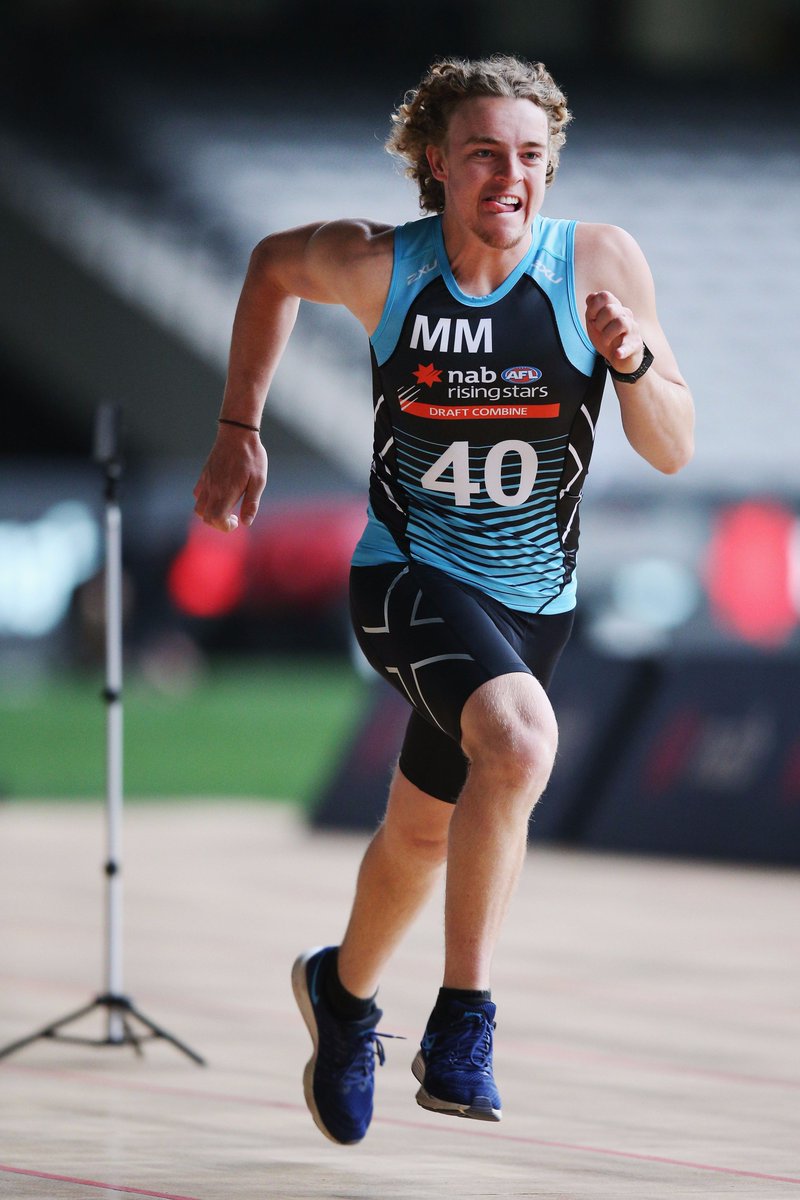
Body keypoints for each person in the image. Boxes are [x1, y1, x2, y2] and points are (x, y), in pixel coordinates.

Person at [193, 54, 694, 1145]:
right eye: (483, 154)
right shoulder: (382, 266)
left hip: (533, 605)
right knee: (518, 740)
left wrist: (632, 362)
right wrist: (240, 427)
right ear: (436, 162)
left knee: (424, 832)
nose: (510, 177)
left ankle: (340, 993)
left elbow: (669, 447)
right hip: (408, 579)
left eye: (530, 157)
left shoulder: (598, 261)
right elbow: (271, 267)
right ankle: (464, 1021)